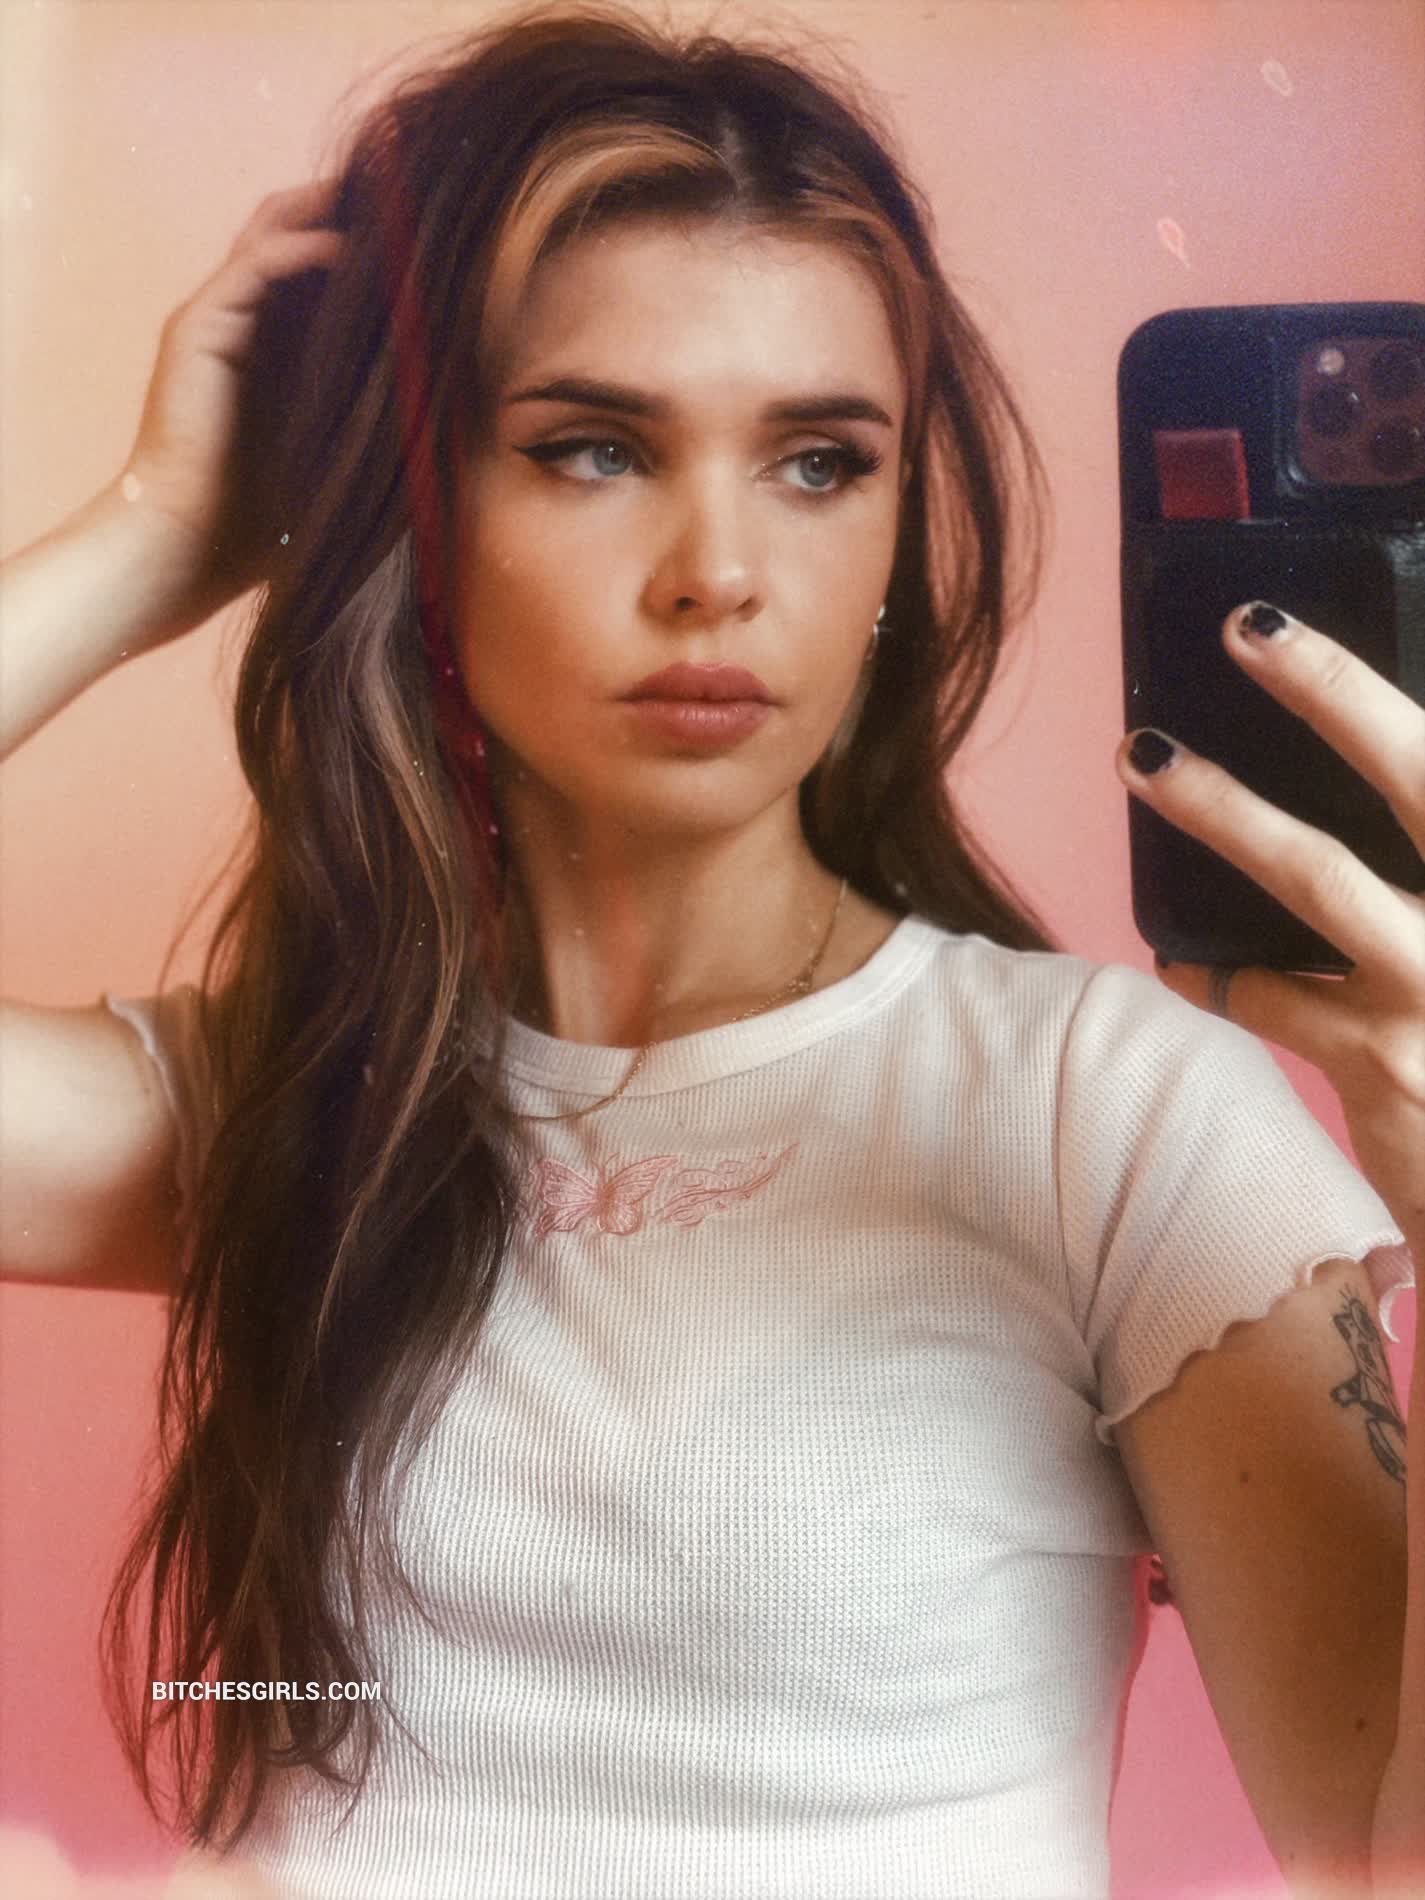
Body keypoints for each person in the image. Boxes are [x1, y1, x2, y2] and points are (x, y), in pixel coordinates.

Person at [1, 4, 1420, 1897]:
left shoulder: (1111, 1119)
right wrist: (154, 529)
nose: (718, 573)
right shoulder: (294, 1105)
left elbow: (1380, 1856)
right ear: (413, 509)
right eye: (593, 449)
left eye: (819, 462)